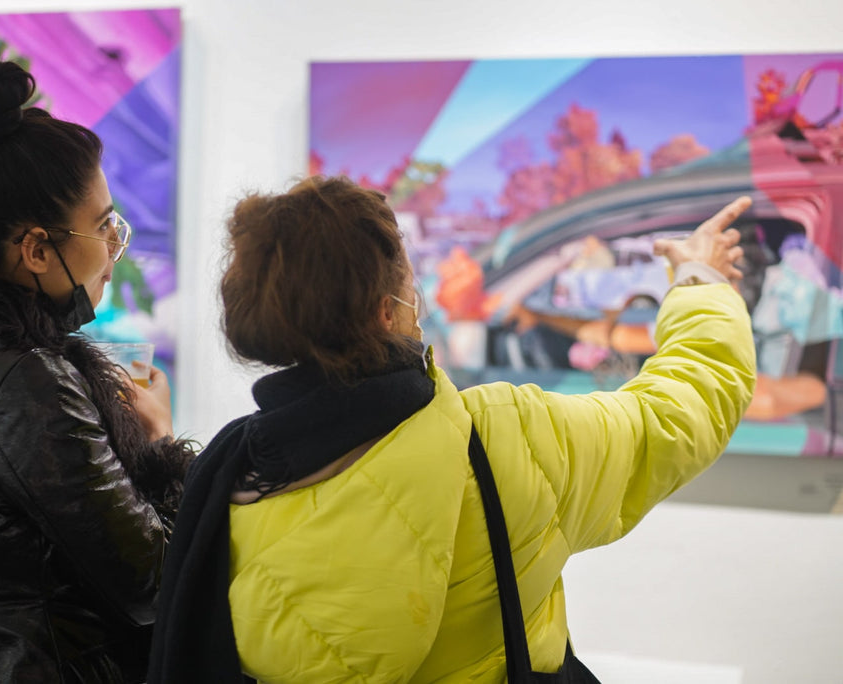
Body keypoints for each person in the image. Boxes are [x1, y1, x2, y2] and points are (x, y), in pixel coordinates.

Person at [148, 176, 756, 682]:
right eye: (410, 280)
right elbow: (678, 412)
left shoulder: (232, 485)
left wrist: (156, 445)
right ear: (388, 312)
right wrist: (698, 279)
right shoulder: (510, 435)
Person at [0, 59, 194, 683]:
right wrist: (157, 443)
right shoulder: (27, 384)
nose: (114, 250)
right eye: (104, 228)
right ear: (38, 249)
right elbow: (155, 583)